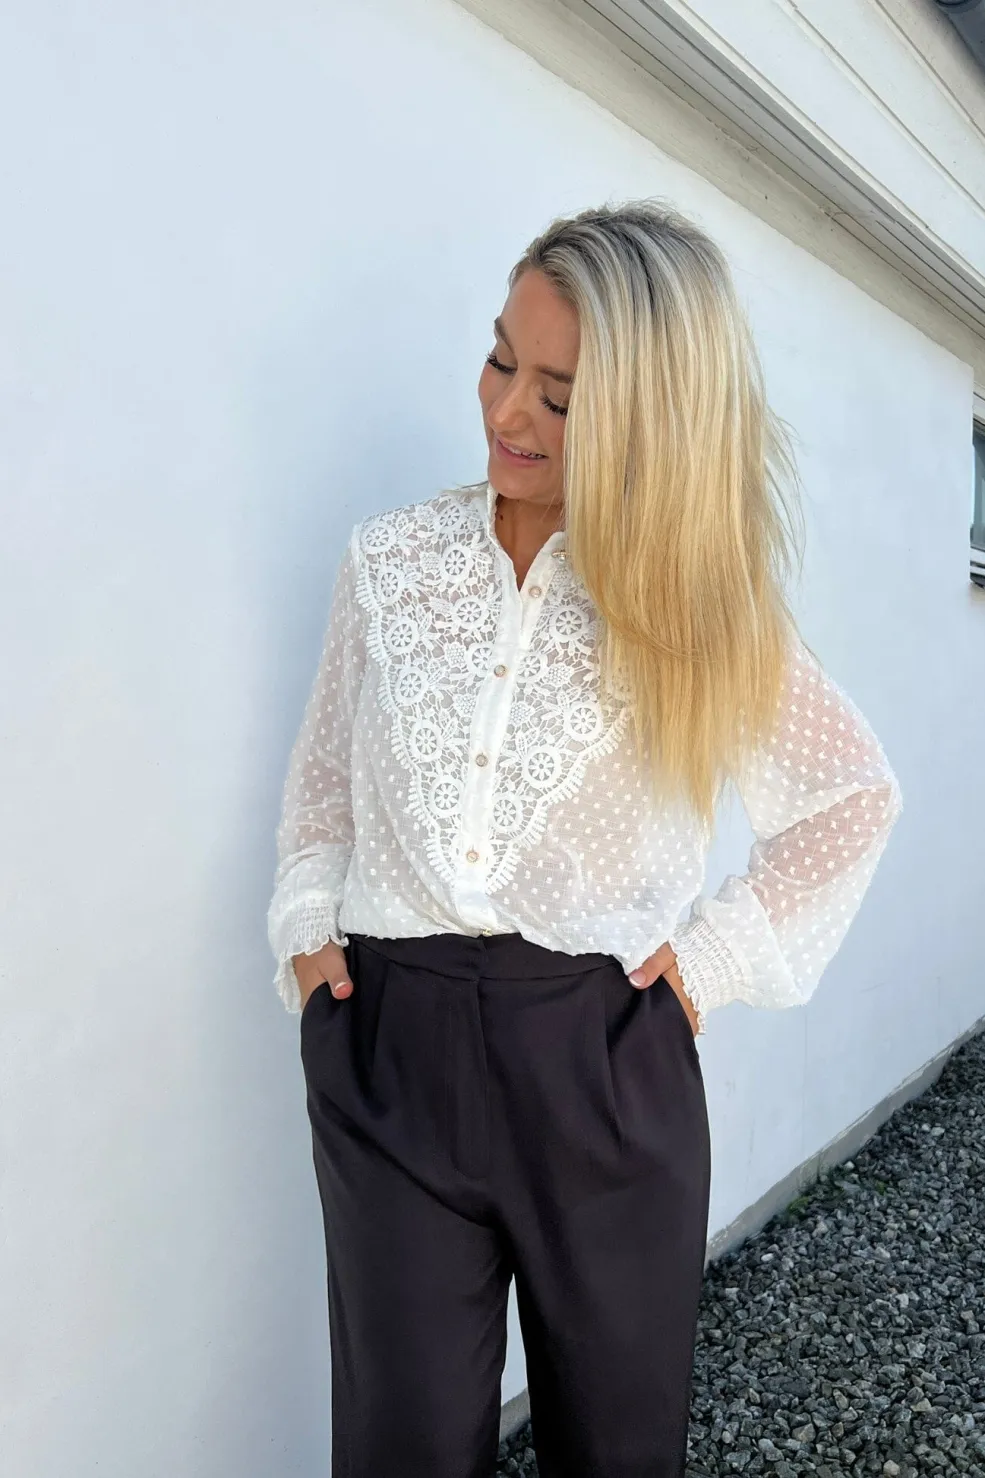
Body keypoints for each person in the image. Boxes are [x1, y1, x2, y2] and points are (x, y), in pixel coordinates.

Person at [266, 199, 902, 1478]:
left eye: (560, 396)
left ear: (646, 418)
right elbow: (324, 783)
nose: (508, 411)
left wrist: (709, 964)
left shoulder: (693, 604)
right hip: (391, 1051)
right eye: (501, 358)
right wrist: (304, 928)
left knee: (615, 1447)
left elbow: (848, 795)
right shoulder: (389, 563)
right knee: (399, 1446)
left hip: (603, 1060)